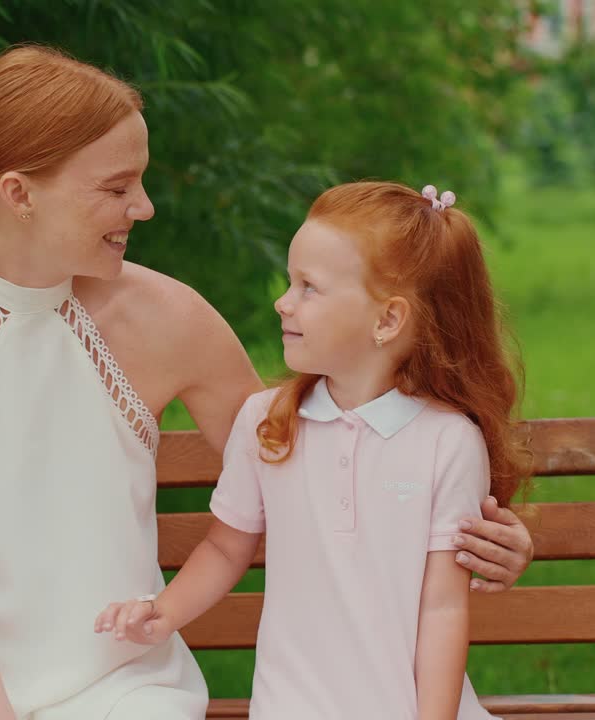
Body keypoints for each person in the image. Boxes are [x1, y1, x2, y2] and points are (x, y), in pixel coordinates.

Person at [0, 44, 534, 719]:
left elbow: (312, 470)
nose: (145, 207)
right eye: (116, 187)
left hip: (117, 682)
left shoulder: (170, 318)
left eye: (140, 180)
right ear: (20, 194)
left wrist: (482, 541)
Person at [95, 181, 532, 719]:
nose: (283, 301)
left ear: (387, 320)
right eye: (289, 281)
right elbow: (226, 549)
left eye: (308, 287)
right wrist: (163, 613)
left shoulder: (447, 441)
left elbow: (441, 607)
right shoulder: (268, 423)